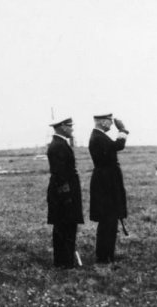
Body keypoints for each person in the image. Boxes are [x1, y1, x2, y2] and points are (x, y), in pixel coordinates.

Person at [88, 113, 129, 267]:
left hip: (106, 181)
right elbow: (118, 146)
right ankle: (104, 257)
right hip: (106, 183)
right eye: (110, 122)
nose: (111, 125)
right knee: (108, 220)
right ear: (103, 122)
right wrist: (123, 130)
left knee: (109, 221)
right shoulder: (98, 137)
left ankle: (106, 256)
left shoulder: (98, 136)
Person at [47, 118, 84, 268]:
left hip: (64, 192)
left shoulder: (60, 144)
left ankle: (64, 260)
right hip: (63, 195)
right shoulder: (58, 146)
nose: (72, 129)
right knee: (65, 226)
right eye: (69, 126)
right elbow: (60, 174)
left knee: (65, 227)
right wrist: (67, 196)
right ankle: (64, 262)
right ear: (62, 127)